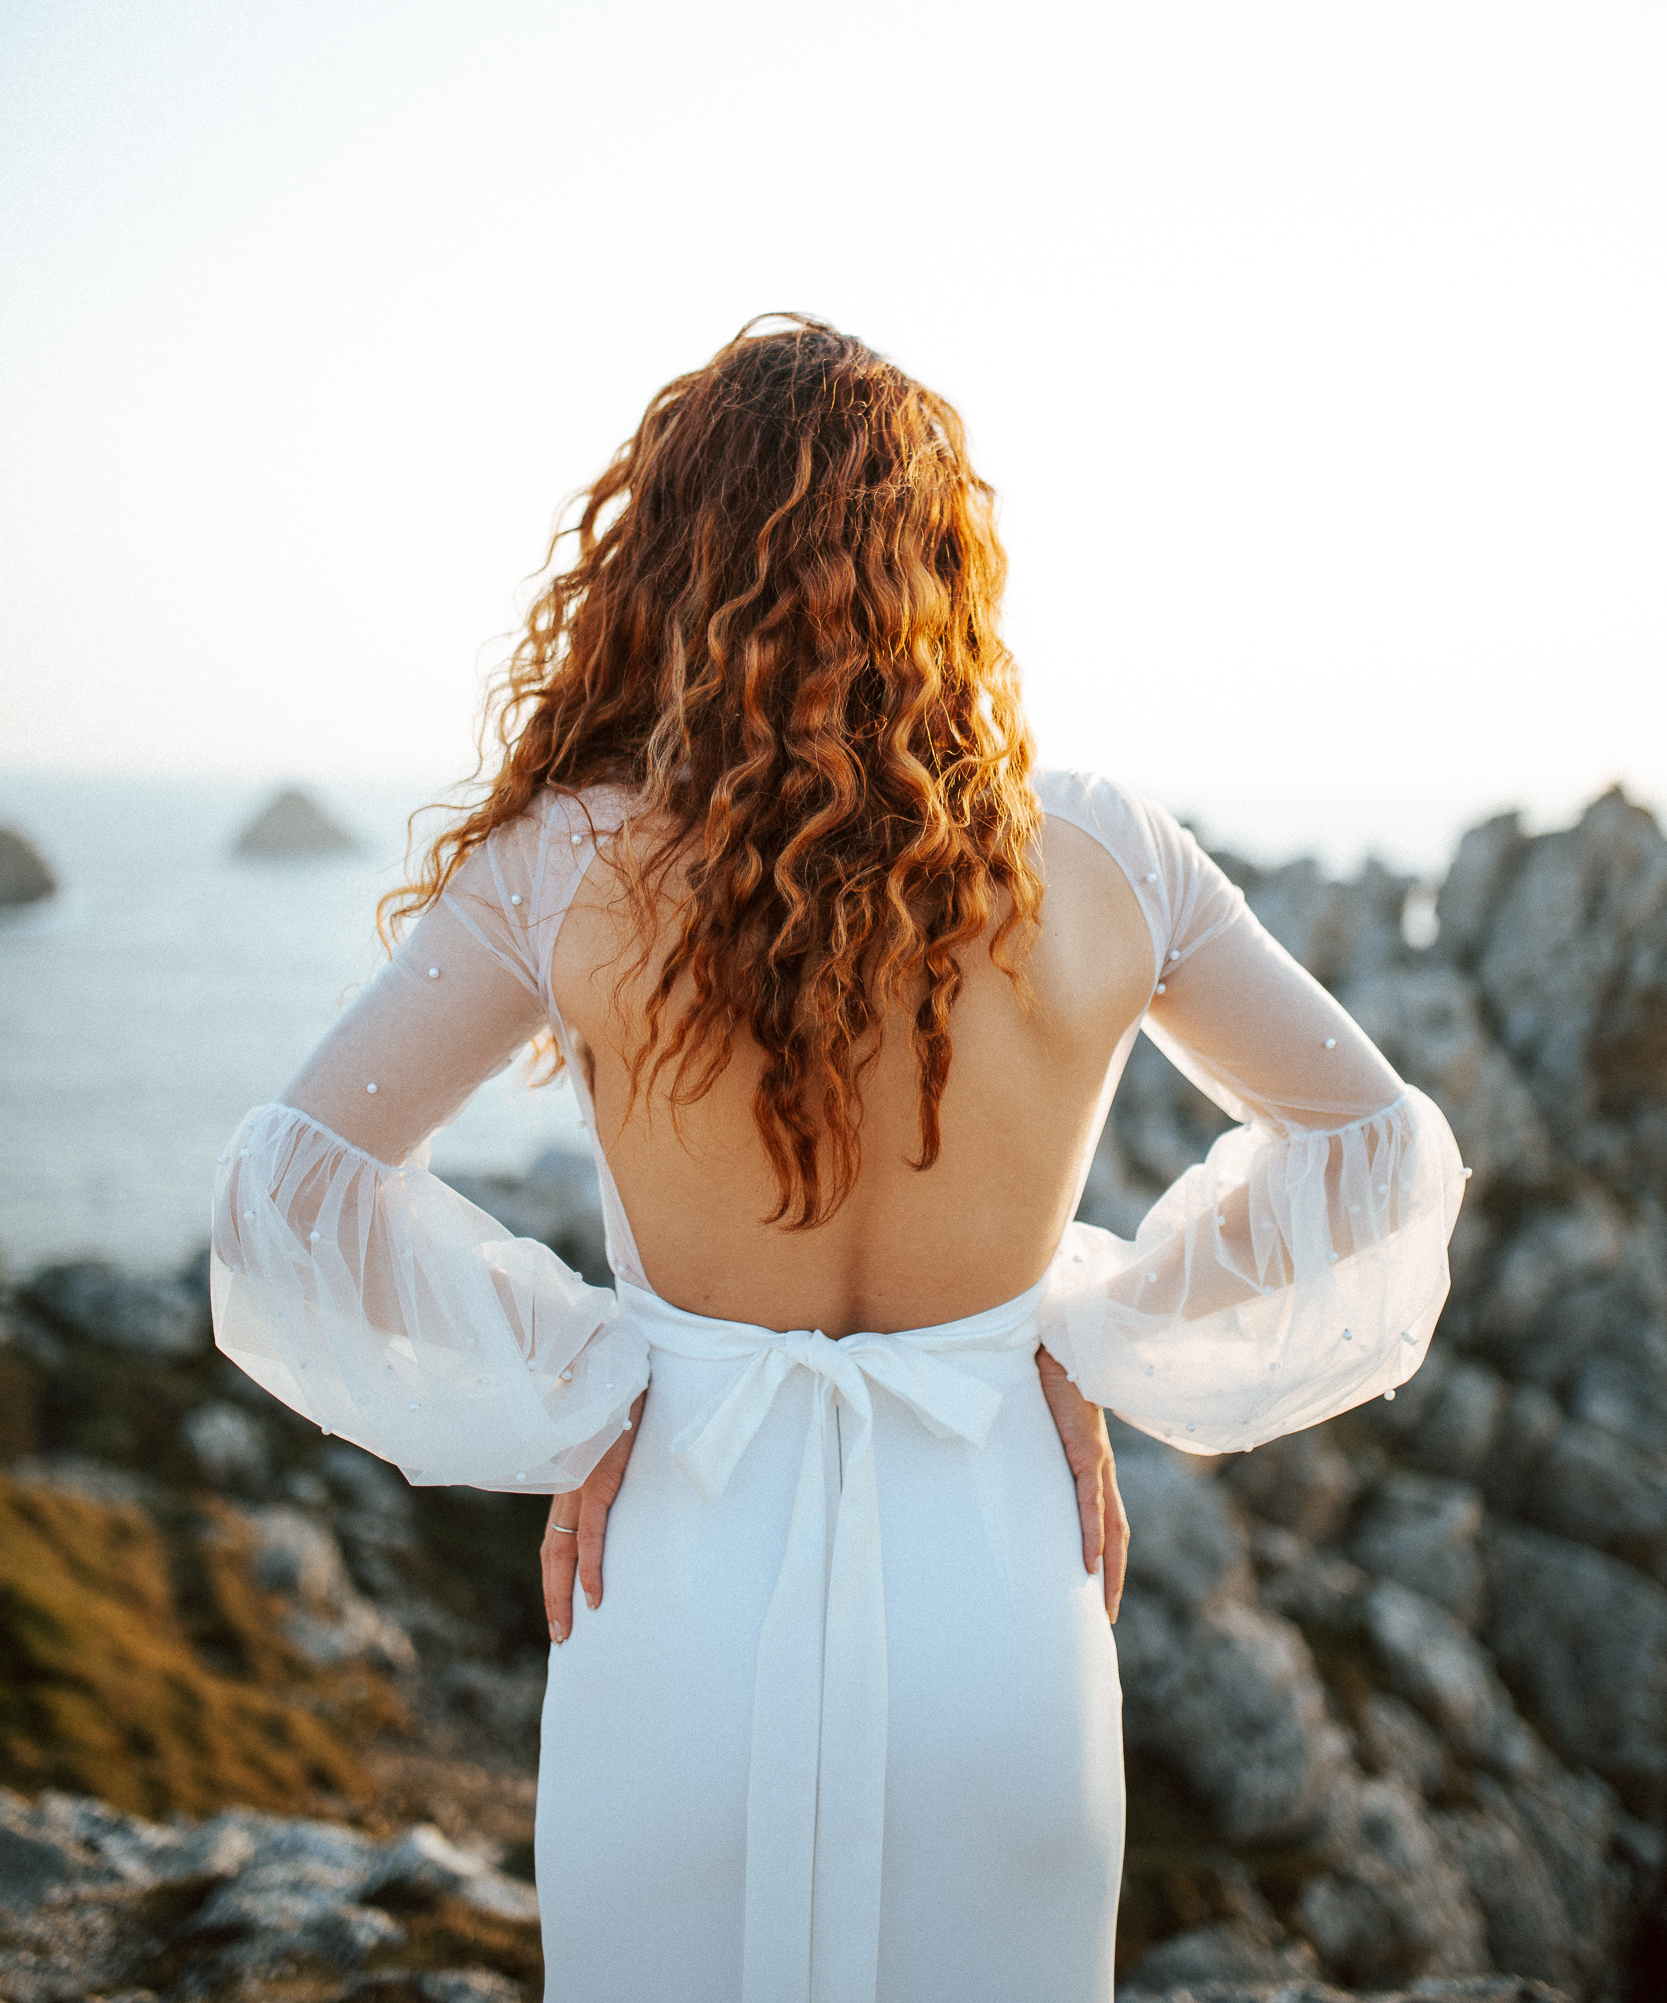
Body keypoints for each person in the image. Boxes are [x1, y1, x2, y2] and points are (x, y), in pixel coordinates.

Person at [211, 315, 1466, 2003]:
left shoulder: (564, 863)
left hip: (681, 1586)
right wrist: (1083, 1331)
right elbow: (1381, 1157)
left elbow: (289, 1195)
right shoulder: (1108, 855)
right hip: (1003, 1590)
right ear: (949, 568)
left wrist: (598, 1380)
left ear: (664, 561)